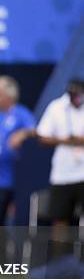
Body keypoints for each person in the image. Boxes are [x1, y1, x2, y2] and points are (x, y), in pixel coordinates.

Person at [0, 76, 36, 226]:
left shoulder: (21, 113)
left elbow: (35, 131)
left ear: (9, 95)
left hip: (5, 179)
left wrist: (22, 134)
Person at [37, 79, 84, 226]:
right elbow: (42, 137)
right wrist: (65, 141)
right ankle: (61, 249)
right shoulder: (56, 107)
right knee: (59, 218)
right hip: (62, 174)